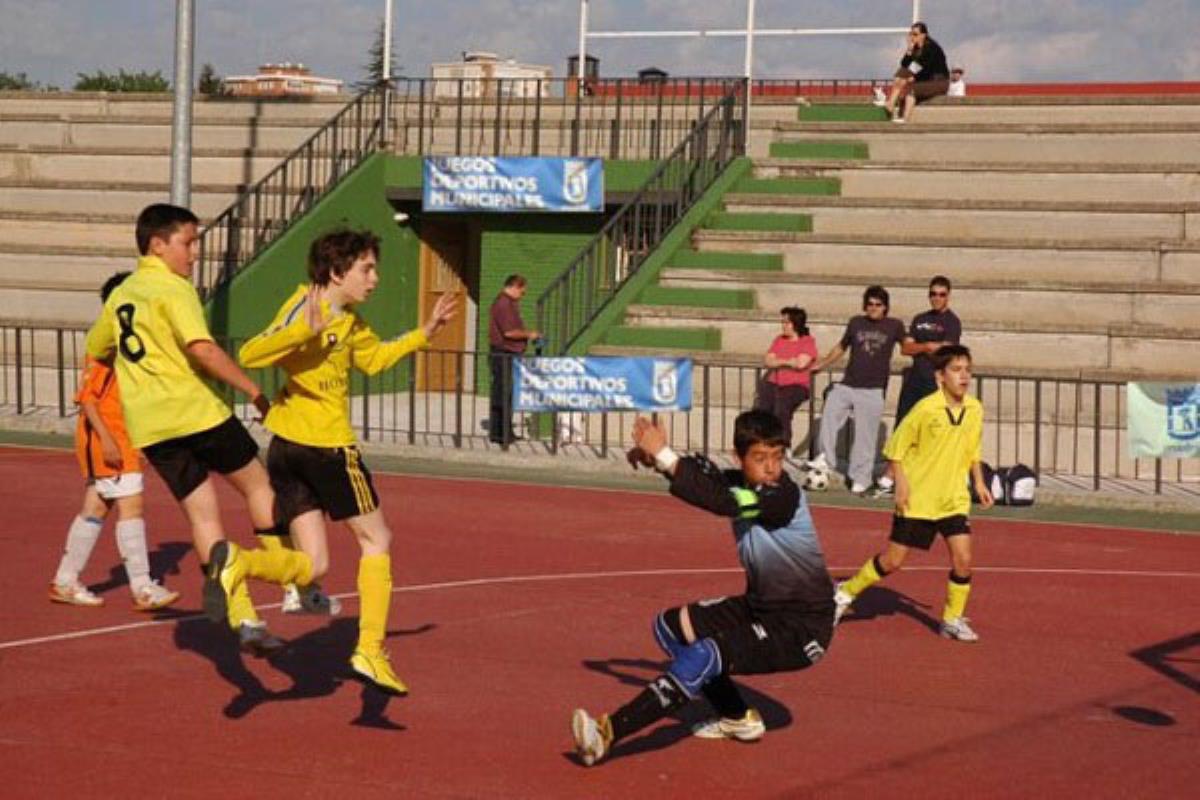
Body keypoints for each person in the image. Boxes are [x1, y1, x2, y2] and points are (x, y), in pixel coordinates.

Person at [84, 203, 312, 655]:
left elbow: (97, 350)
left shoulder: (121, 295)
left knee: (203, 517)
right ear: (157, 244)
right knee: (258, 486)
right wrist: (254, 391)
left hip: (153, 428)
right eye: (188, 243)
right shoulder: (174, 287)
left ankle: (245, 618)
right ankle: (291, 583)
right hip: (196, 413)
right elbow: (203, 349)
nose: (194, 253)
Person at [239, 229, 457, 695]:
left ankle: (238, 565)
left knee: (313, 564)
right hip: (326, 448)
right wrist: (304, 330)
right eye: (367, 269)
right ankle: (370, 650)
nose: (374, 278)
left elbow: (374, 360)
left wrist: (424, 334)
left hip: (286, 447)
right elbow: (250, 352)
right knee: (377, 538)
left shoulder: (350, 320)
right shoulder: (306, 307)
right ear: (337, 272)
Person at [570, 410, 834, 766]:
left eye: (777, 456)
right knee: (672, 629)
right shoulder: (741, 483)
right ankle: (738, 717)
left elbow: (721, 500)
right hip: (762, 607)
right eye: (760, 458)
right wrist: (657, 460)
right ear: (739, 458)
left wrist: (665, 455)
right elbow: (706, 477)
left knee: (704, 654)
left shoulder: (782, 496)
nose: (772, 467)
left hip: (802, 627)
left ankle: (607, 733)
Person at [833, 345, 994, 642]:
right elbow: (896, 447)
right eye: (956, 370)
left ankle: (952, 619)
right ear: (940, 376)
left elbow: (974, 450)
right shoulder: (925, 408)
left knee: (963, 559)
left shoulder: (975, 409)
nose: (964, 376)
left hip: (953, 499)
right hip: (919, 499)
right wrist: (901, 484)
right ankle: (845, 592)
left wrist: (979, 483)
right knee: (893, 561)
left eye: (967, 370)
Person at [50, 271, 181, 611]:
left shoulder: (126, 344)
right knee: (132, 506)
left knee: (95, 508)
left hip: (123, 436)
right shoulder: (104, 345)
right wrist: (108, 440)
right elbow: (88, 398)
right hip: (107, 438)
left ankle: (66, 580)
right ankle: (143, 587)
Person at [805, 286, 906, 495]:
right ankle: (825, 459)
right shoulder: (856, 322)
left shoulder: (894, 325)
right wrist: (822, 364)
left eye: (878, 304)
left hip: (873, 389)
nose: (873, 308)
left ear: (885, 307)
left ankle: (861, 478)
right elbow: (841, 347)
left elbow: (908, 345)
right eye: (870, 304)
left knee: (865, 437)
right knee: (830, 411)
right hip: (848, 383)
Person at [896, 275, 961, 428]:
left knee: (930, 429)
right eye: (933, 294)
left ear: (948, 296)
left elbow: (945, 352)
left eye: (941, 294)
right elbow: (905, 349)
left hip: (935, 383)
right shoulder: (919, 318)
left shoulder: (952, 322)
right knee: (904, 427)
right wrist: (927, 346)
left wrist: (919, 347)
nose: (936, 298)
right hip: (914, 381)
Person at [754, 306, 817, 450]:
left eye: (786, 322)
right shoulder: (779, 340)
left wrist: (780, 361)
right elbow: (768, 360)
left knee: (781, 408)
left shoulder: (807, 341)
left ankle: (783, 445)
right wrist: (790, 361)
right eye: (782, 322)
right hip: (774, 382)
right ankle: (762, 443)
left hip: (797, 385)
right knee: (762, 408)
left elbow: (801, 363)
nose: (783, 325)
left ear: (796, 323)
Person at [487, 274, 540, 446]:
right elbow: (509, 332)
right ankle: (502, 434)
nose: (522, 295)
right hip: (504, 353)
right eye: (522, 292)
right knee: (504, 393)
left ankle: (501, 432)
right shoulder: (504, 304)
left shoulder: (507, 303)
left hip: (506, 353)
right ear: (515, 286)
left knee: (503, 393)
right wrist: (529, 334)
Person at [873, 21, 950, 123]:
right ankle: (890, 103)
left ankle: (905, 119)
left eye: (915, 34)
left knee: (910, 89)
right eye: (911, 34)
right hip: (925, 78)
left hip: (938, 81)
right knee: (903, 72)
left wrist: (912, 79)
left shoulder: (931, 48)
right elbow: (905, 65)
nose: (912, 37)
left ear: (923, 35)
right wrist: (909, 50)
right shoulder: (916, 48)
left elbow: (927, 69)